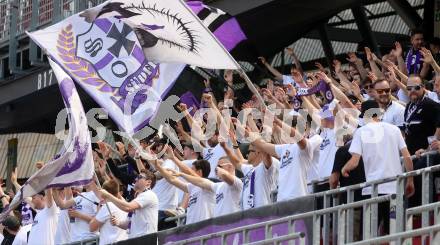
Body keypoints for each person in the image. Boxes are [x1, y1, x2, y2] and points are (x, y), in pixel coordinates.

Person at [342, 100, 415, 234]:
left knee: (369, 234)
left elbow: (354, 161)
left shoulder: (361, 132)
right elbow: (407, 157)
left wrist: (344, 169)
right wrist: (410, 180)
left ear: (364, 115)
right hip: (395, 188)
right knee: (395, 233)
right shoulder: (394, 129)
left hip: (372, 189)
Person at [248, 115, 322, 201]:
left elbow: (299, 139)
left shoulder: (314, 140)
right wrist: (247, 133)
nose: (286, 133)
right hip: (282, 199)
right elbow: (262, 145)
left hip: (305, 193)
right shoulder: (284, 148)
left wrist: (279, 122)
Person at [153, 154, 215, 224]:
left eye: (193, 169)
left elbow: (197, 178)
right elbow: (172, 180)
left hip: (204, 227)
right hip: (191, 228)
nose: (190, 172)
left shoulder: (207, 184)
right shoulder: (192, 187)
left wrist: (181, 174)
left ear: (199, 172)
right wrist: (158, 167)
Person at [174, 156, 243, 217]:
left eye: (220, 166)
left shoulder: (237, 183)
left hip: (233, 224)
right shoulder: (217, 186)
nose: (216, 169)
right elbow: (201, 181)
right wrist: (181, 174)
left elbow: (225, 175)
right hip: (219, 226)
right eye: (216, 167)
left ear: (230, 166)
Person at [98, 170, 158, 239]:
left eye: (139, 177)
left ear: (148, 182)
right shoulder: (139, 198)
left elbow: (127, 208)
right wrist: (118, 223)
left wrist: (108, 195)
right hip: (136, 240)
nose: (136, 179)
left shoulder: (149, 194)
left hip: (146, 240)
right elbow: (127, 224)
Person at [220, 141, 278, 210]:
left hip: (261, 213)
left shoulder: (265, 168)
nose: (247, 154)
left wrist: (258, 143)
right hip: (247, 214)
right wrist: (225, 148)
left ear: (258, 152)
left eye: (250, 151)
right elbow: (236, 163)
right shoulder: (248, 168)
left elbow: (267, 156)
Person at [403, 75, 440, 155]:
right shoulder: (408, 106)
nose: (412, 90)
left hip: (425, 158)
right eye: (409, 88)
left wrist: (428, 150)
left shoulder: (431, 105)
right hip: (411, 156)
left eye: (416, 87)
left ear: (423, 87)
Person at [89, 180, 127, 245]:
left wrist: (98, 211)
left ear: (104, 192)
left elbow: (92, 228)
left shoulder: (108, 206)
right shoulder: (124, 204)